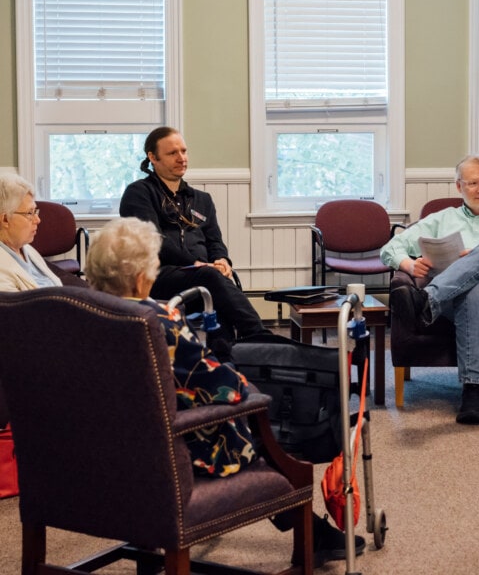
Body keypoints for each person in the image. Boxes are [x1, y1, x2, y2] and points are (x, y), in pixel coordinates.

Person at [84, 217, 365, 565]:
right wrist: (249, 388)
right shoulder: (156, 320)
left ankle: (312, 531)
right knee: (259, 430)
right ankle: (310, 533)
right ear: (143, 278)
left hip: (91, 455)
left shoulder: (75, 319)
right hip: (167, 457)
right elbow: (220, 387)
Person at [382, 155, 479, 424]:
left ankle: (426, 301)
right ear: (459, 187)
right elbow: (389, 249)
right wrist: (408, 264)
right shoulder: (441, 219)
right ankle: (472, 392)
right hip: (455, 301)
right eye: (473, 183)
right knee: (474, 290)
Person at [120, 126, 266, 341]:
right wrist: (197, 264)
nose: (181, 158)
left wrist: (221, 259)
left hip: (201, 275)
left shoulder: (201, 199)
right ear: (153, 157)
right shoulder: (139, 193)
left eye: (184, 151)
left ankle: (225, 360)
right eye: (172, 153)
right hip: (155, 274)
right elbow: (154, 241)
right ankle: (260, 337)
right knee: (210, 278)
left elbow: (215, 240)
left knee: (217, 290)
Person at [0, 173, 63, 291]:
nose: (38, 220)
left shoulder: (25, 248)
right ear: (5, 219)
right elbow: (20, 309)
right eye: (29, 213)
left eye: (36, 211)